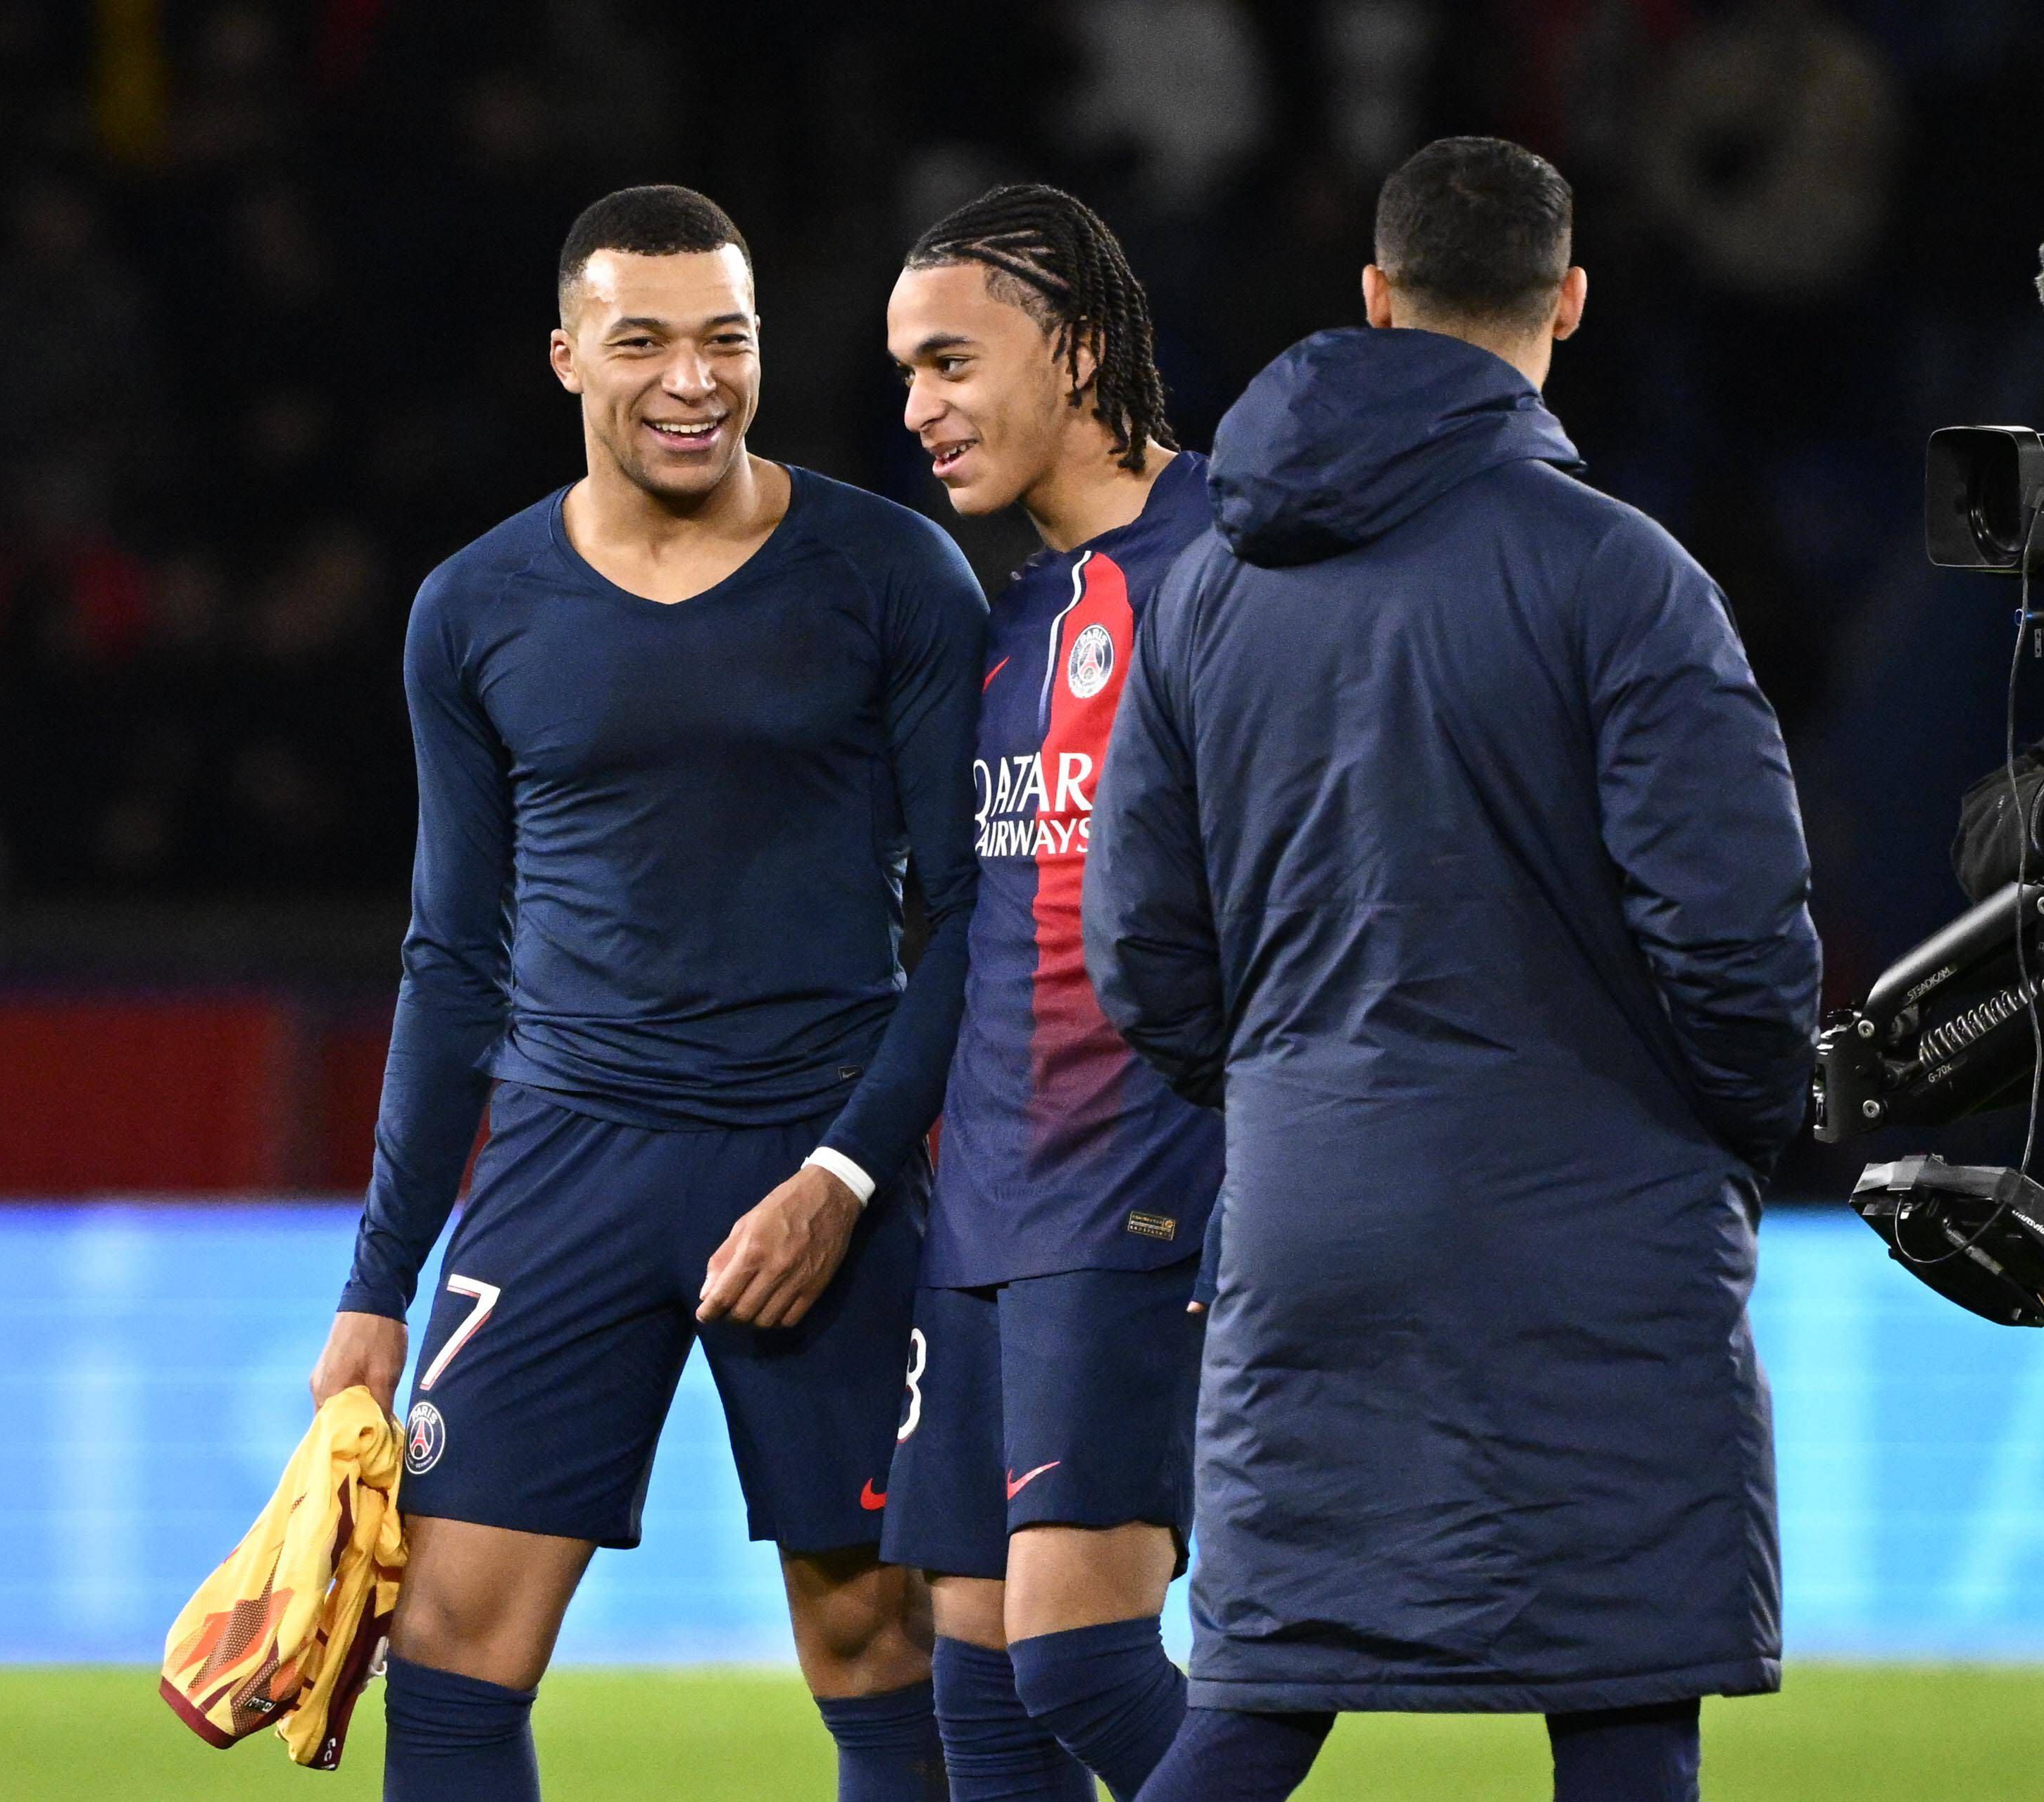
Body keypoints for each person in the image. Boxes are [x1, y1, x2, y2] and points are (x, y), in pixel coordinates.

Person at [1084, 137, 1821, 1802]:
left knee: (1257, 1697)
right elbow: (1738, 941)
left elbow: (1140, 947)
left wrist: (1291, 1090)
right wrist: (1726, 1126)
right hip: (1598, 1237)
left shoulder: (1205, 590)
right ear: (1568, 299)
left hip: (1310, 1221)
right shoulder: (1626, 579)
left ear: (1374, 294)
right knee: (1626, 1699)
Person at [305, 184, 986, 1802]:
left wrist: (844, 1173)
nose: (693, 380)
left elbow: (974, 915)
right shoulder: (473, 609)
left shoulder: (895, 575)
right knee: (452, 1645)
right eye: (645, 343)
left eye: (726, 340)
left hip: (826, 1154)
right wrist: (378, 1281)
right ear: (566, 358)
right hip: (567, 1160)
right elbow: (451, 954)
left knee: (879, 1648)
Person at [878, 184, 1221, 1802]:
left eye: (951, 362)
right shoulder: (1009, 615)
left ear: (1077, 350)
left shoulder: (1234, 568)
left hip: (1147, 1194)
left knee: (1081, 1656)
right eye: (903, 375)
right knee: (983, 1699)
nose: (919, 409)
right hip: (982, 1210)